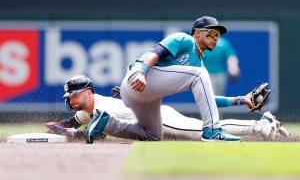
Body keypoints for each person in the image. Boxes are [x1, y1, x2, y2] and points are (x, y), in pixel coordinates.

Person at [45, 75, 289, 143]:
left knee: (205, 131)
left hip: (161, 120)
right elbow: (74, 121)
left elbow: (94, 133)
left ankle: (262, 125)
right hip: (152, 123)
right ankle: (261, 125)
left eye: (74, 94)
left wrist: (68, 134)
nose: (71, 99)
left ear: (88, 92)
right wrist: (59, 128)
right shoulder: (86, 109)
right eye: (69, 96)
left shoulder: (102, 105)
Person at [120, 16, 246, 142]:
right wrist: (142, 73)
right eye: (212, 32)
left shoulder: (198, 65)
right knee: (199, 74)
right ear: (197, 33)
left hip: (143, 92)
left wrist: (241, 100)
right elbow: (155, 51)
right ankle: (212, 130)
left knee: (154, 135)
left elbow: (209, 100)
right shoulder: (185, 39)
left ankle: (108, 123)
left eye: (218, 35)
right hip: (140, 75)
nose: (215, 38)